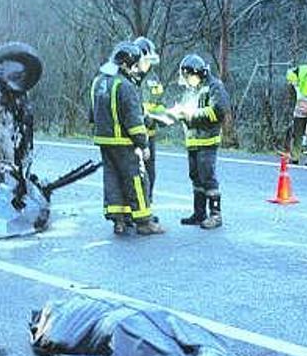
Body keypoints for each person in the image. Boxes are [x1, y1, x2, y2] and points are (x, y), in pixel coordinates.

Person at [90, 42, 165, 236]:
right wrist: (143, 143)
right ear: (126, 64)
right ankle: (143, 222)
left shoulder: (98, 82)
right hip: (125, 143)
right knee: (137, 179)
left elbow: (92, 115)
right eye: (134, 65)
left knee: (112, 179)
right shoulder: (125, 86)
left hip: (104, 141)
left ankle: (119, 221)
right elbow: (134, 121)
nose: (136, 70)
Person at [168, 54, 230, 229]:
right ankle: (199, 213)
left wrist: (192, 116)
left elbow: (219, 111)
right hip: (193, 141)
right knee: (195, 177)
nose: (187, 81)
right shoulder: (193, 89)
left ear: (197, 72)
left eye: (188, 77)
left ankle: (216, 215)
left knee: (207, 177)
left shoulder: (214, 86)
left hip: (207, 141)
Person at [134, 36, 166, 203]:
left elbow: (160, 104)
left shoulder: (153, 79)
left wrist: (160, 116)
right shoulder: (129, 78)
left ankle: (147, 203)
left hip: (149, 133)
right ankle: (134, 209)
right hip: (132, 134)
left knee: (149, 171)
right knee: (133, 173)